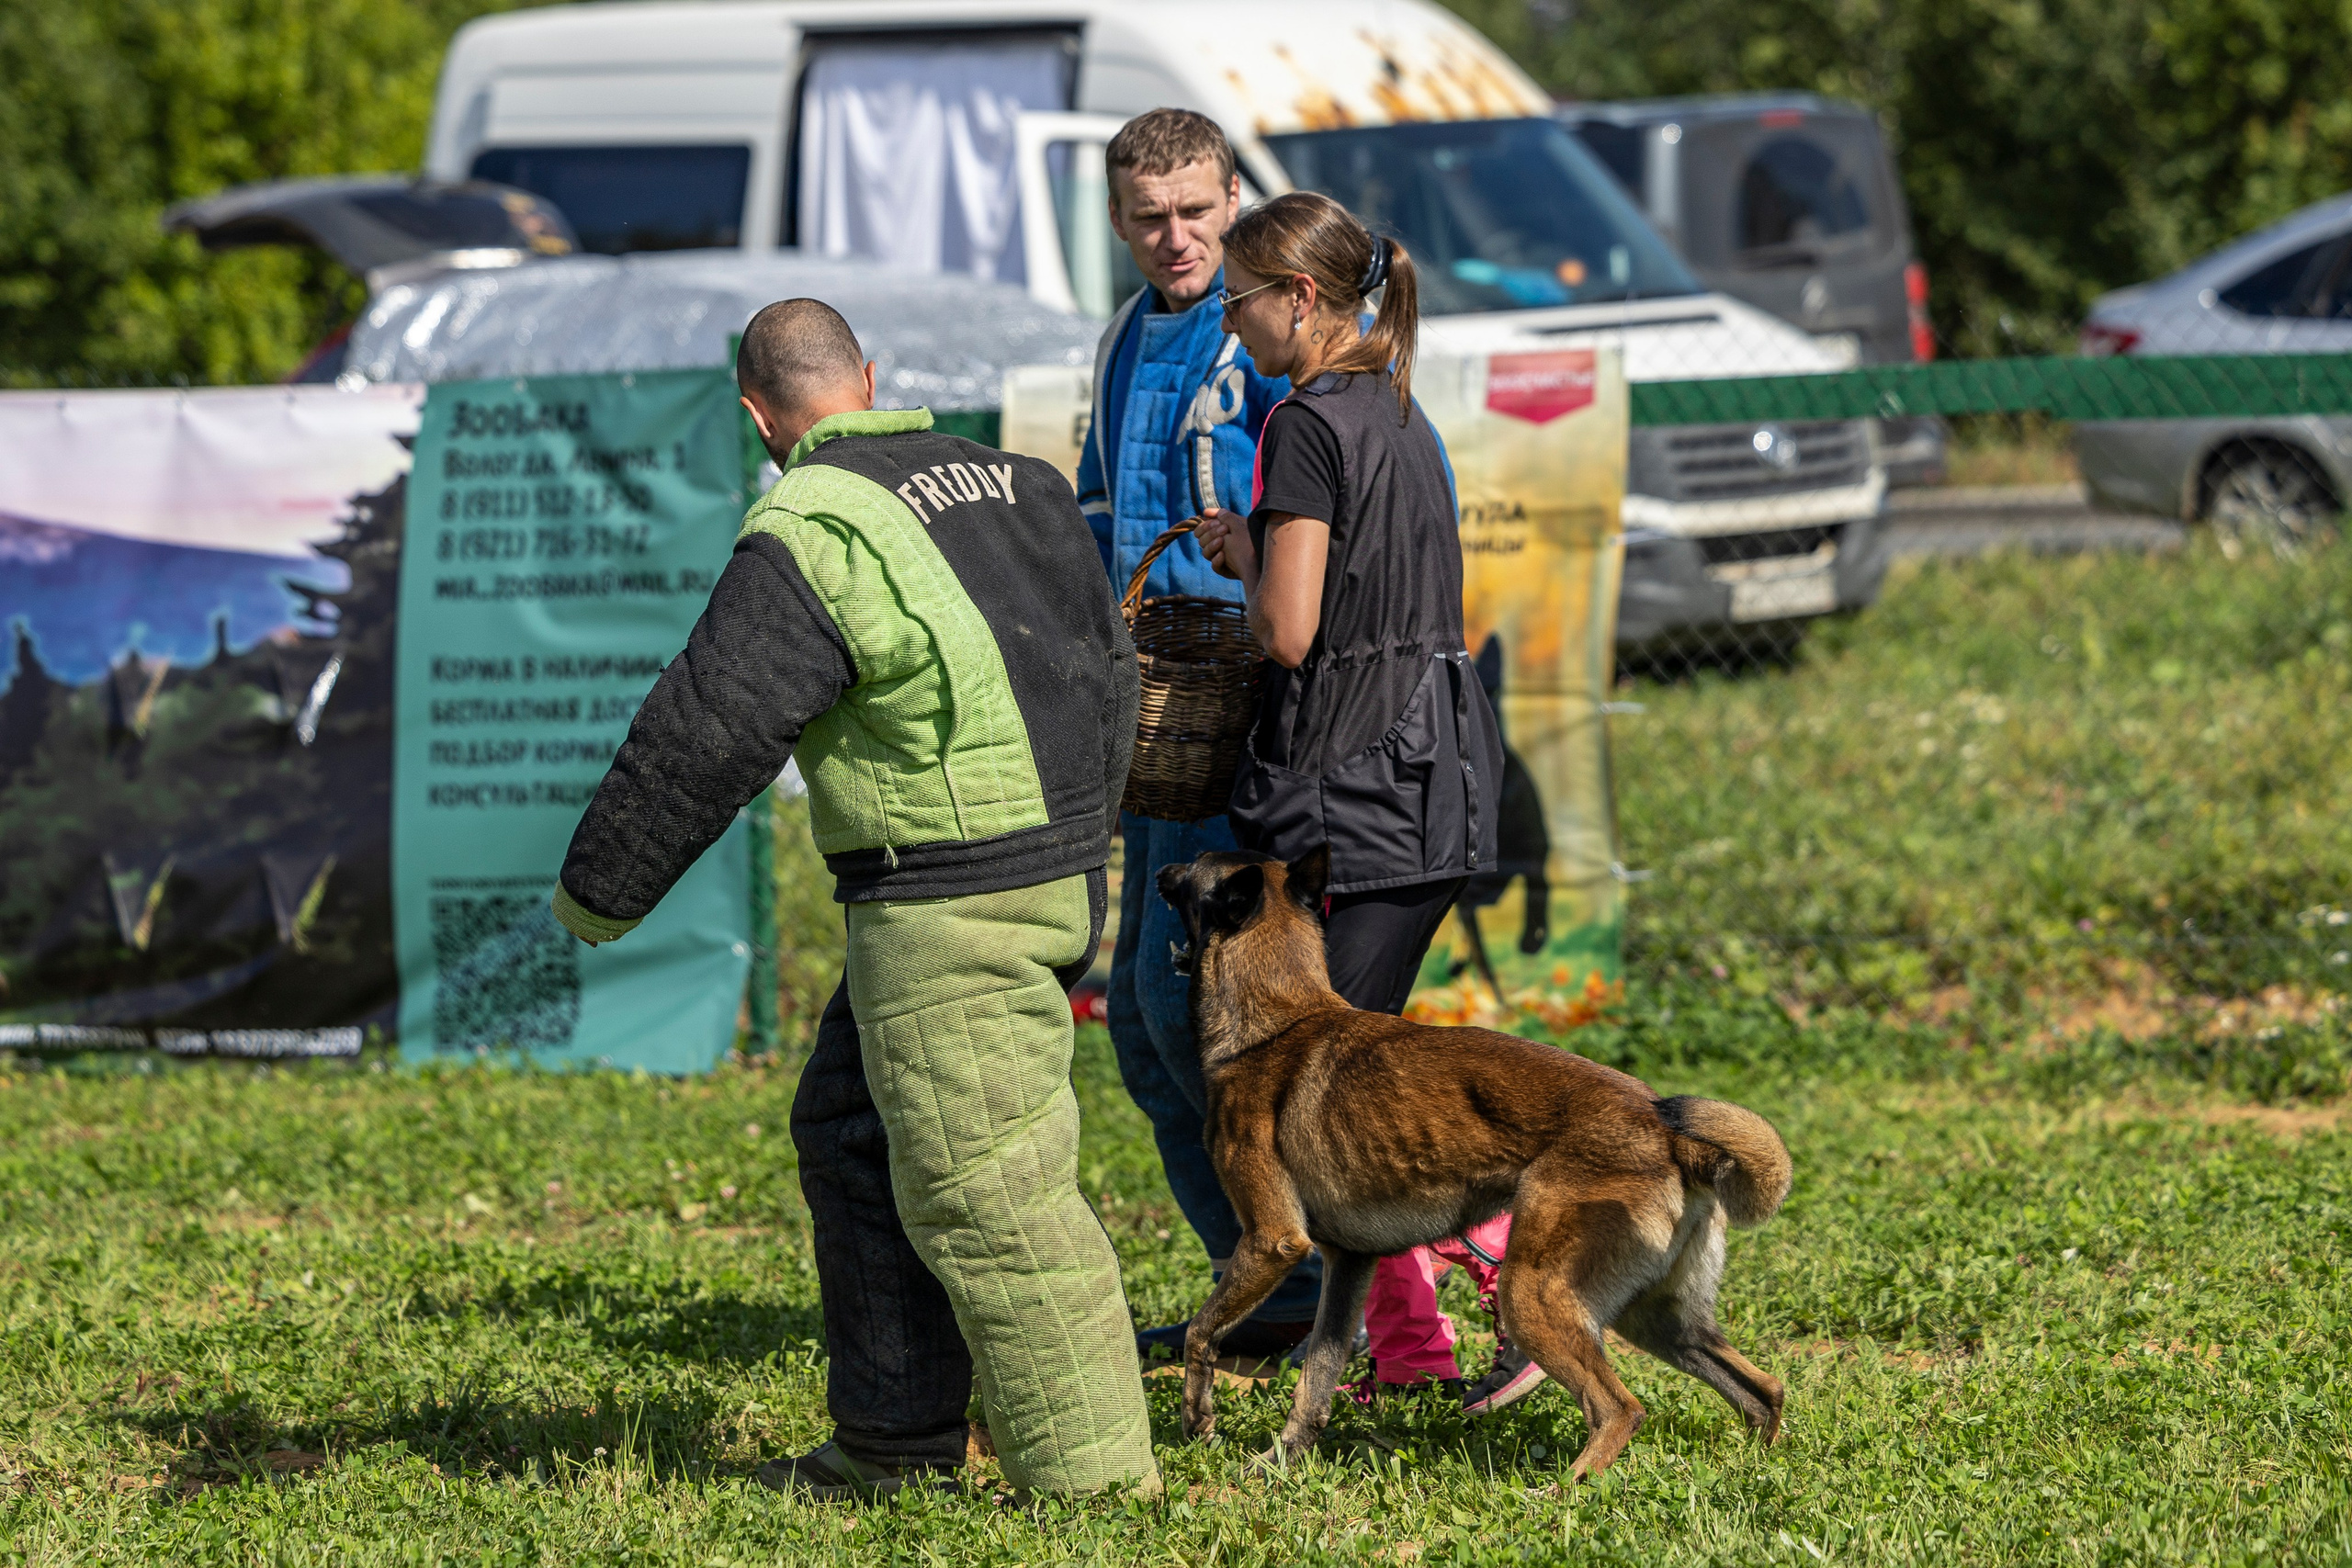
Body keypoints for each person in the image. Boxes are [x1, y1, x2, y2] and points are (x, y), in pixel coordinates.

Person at [549, 299, 1156, 1500]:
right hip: (1052, 868)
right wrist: (1086, 835)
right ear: (871, 379)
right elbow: (1114, 667)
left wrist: (597, 896)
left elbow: (711, 724)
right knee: (854, 1134)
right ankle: (894, 1444)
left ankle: (1096, 1494)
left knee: (993, 1198)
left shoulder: (814, 522)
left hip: (951, 905)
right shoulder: (1019, 483)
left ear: (756, 418)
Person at [1195, 191, 1521, 1405]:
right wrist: (1261, 547)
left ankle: (1502, 1265)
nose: (1230, 327)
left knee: (1319, 1106)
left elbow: (1290, 633)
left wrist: (1249, 568)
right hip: (1435, 781)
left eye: (1238, 302)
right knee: (1352, 1094)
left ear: (1298, 298)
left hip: (1354, 794)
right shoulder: (1395, 405)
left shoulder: (1303, 423)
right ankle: (1415, 1349)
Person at [1075, 108, 1316, 1364]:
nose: (1175, 237)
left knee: (1201, 1023)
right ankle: (1264, 1285)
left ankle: (1311, 1286)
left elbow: (1322, 508)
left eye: (1195, 211)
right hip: (1154, 720)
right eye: (1149, 217)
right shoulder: (1126, 336)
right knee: (1142, 1029)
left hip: (1246, 722)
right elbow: (1100, 510)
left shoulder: (1270, 332)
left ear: (1233, 200)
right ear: (1120, 222)